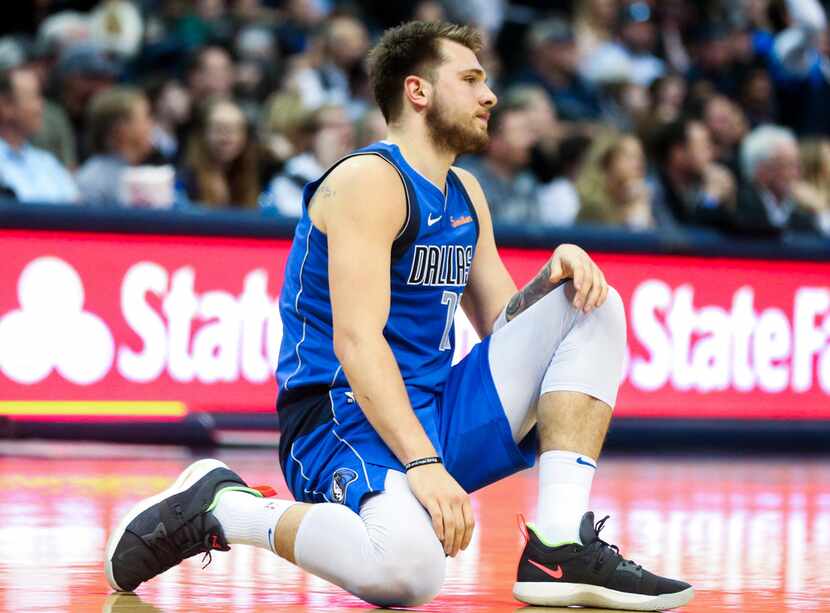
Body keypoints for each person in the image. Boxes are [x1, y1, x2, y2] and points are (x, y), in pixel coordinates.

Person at [105, 21, 694, 611]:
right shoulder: (368, 180)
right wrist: (425, 464)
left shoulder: (465, 192)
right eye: (470, 80)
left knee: (590, 302)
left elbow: (502, 326)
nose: (489, 97)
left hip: (433, 406)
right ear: (419, 91)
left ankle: (559, 547)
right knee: (410, 573)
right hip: (341, 415)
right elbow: (357, 345)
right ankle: (227, 510)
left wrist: (552, 279)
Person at [0, 66, 77, 203]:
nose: (41, 107)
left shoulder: (48, 163)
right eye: (34, 97)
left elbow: (78, 214)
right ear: (5, 106)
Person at [650, 116, 736, 230]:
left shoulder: (699, 184)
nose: (712, 153)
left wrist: (730, 200)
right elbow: (685, 238)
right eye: (703, 146)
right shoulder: (654, 191)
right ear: (678, 153)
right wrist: (710, 198)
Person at [734, 123, 820, 235]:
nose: (796, 174)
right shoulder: (740, 205)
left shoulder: (800, 208)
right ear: (762, 170)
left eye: (798, 165)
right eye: (789, 165)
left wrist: (818, 210)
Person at [76, 86, 156, 206]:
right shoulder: (92, 180)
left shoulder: (149, 176)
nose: (152, 124)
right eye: (146, 117)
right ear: (121, 129)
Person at [177, 97, 260, 209]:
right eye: (219, 129)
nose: (227, 137)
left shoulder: (251, 176)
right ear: (202, 134)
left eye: (235, 129)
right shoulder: (185, 181)